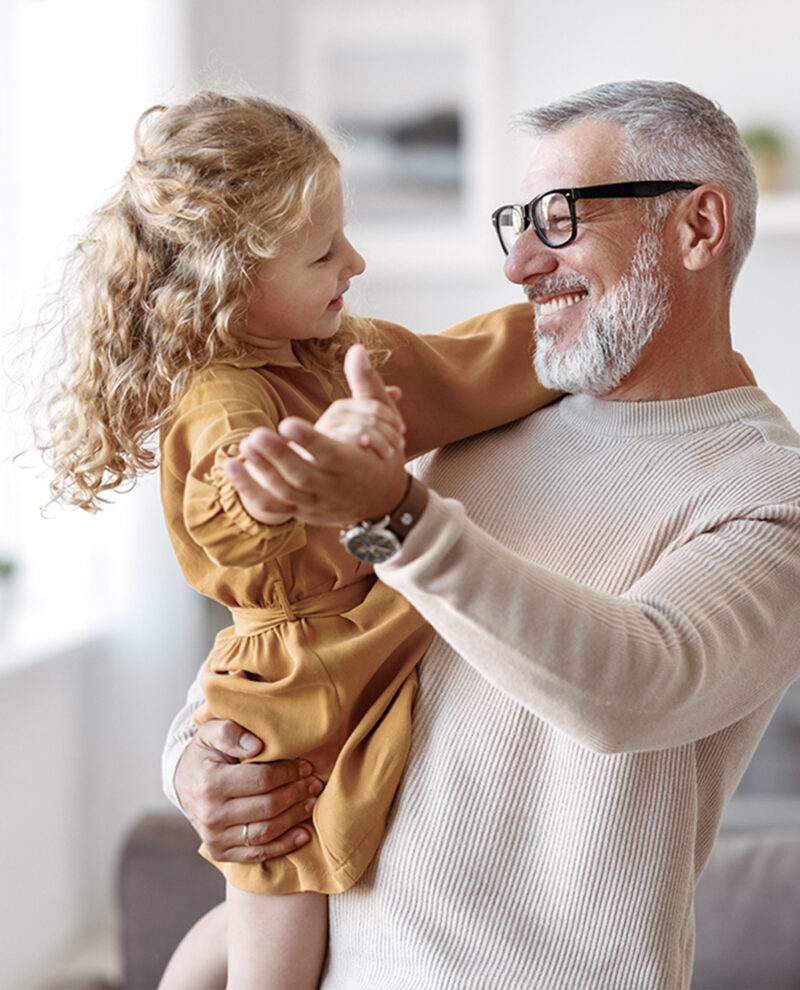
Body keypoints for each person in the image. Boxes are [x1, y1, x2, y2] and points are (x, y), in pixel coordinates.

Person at [163, 80, 800, 990]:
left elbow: (635, 686)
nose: (521, 264)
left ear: (698, 229)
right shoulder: (481, 426)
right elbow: (317, 622)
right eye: (518, 221)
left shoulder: (771, 491)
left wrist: (394, 513)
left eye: (560, 217)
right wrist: (195, 758)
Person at [30, 91, 558, 990]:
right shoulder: (224, 396)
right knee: (278, 922)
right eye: (324, 252)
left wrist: (575, 331)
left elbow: (463, 367)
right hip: (293, 687)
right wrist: (321, 464)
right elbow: (233, 512)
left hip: (363, 632)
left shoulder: (337, 352)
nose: (355, 260)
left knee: (267, 926)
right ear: (229, 281)